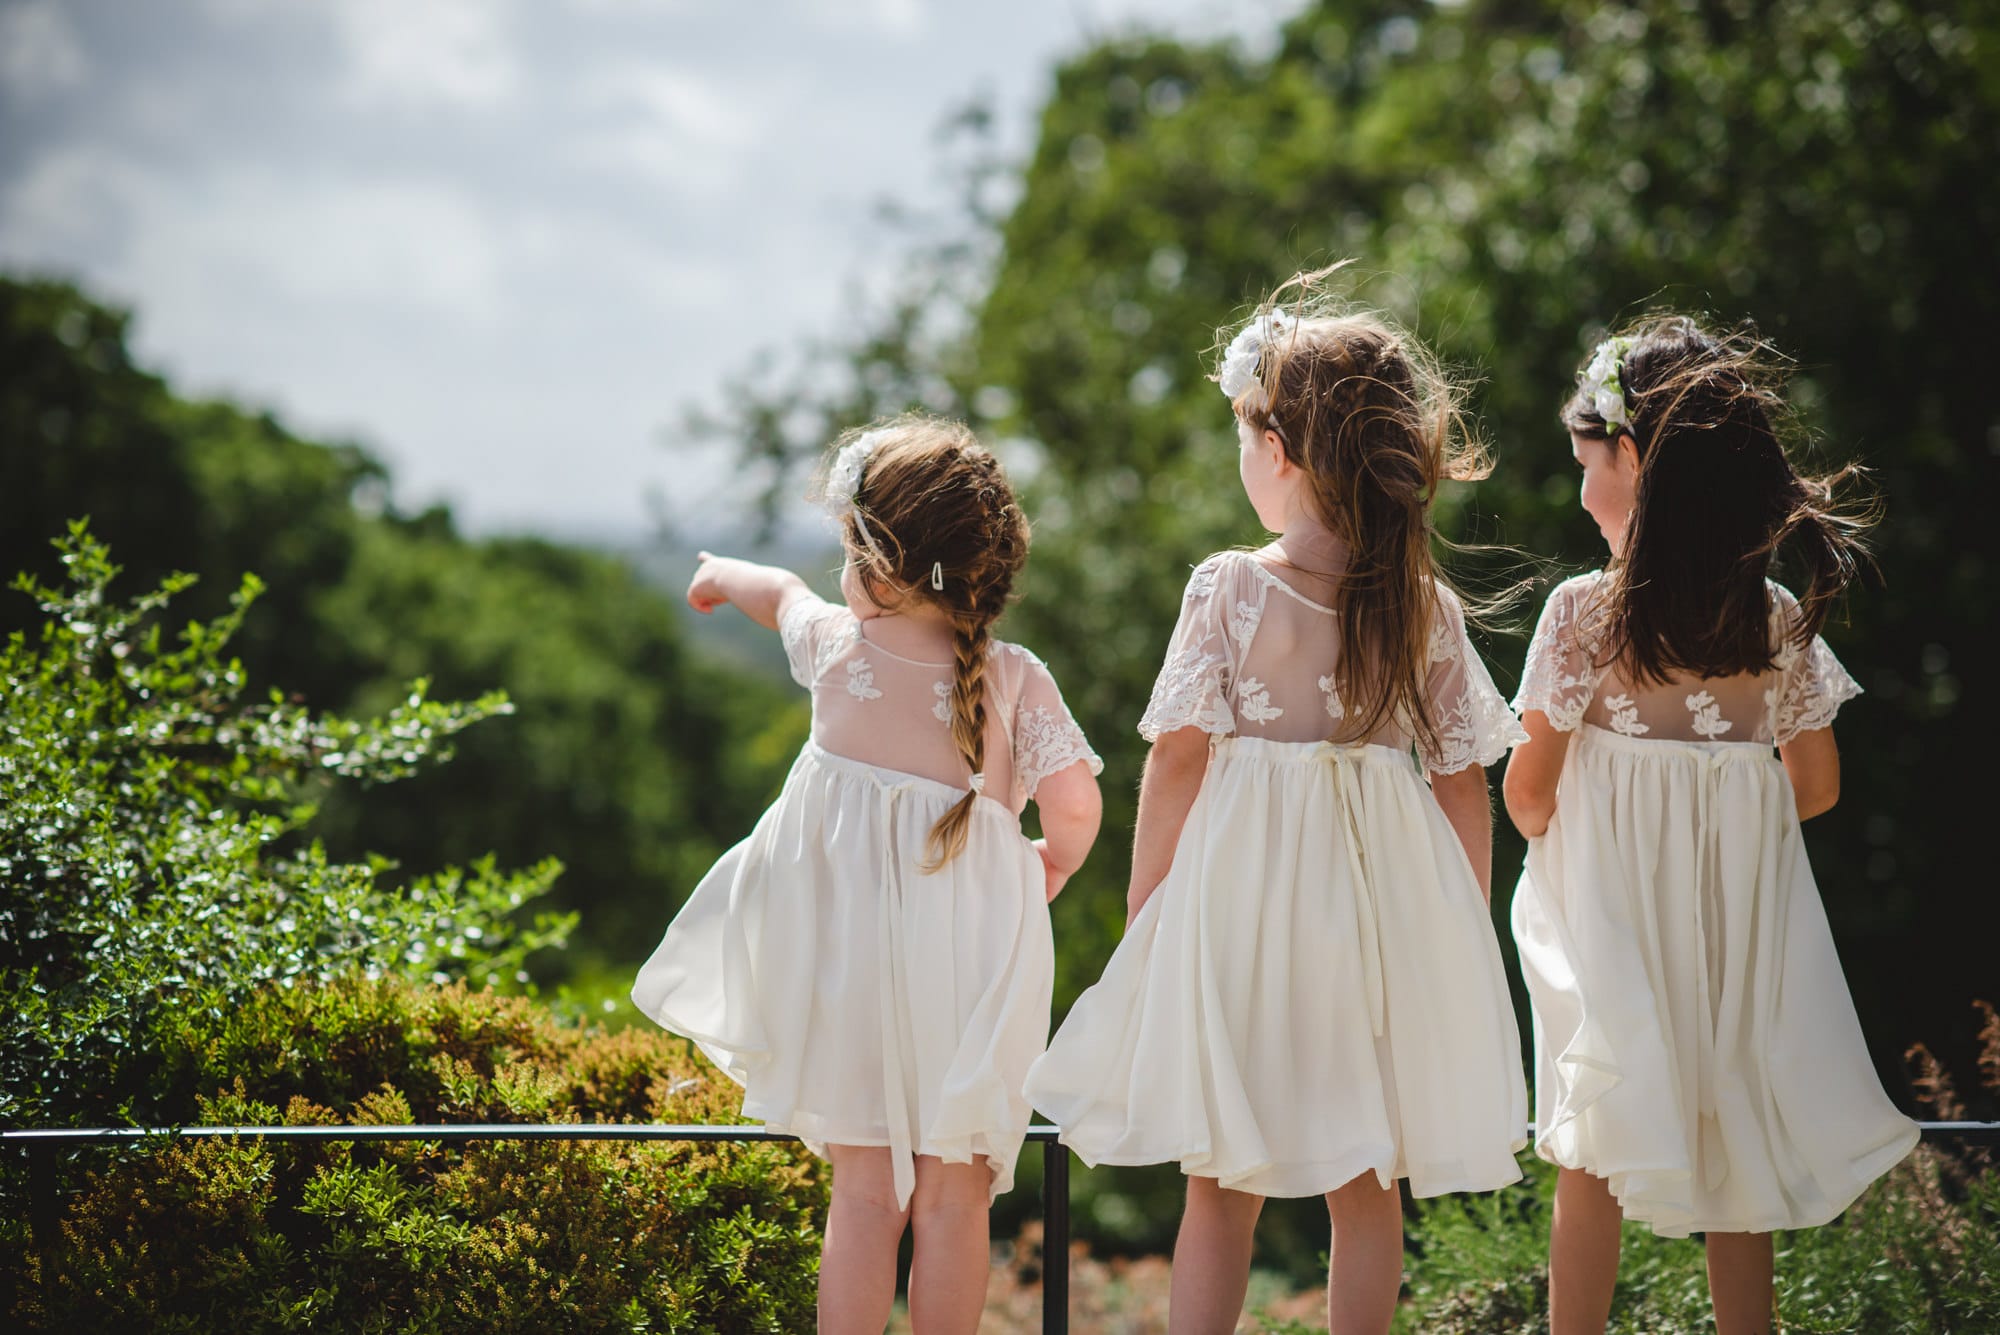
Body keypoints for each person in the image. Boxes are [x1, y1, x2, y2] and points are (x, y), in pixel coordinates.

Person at [1025, 271, 1528, 1335]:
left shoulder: (1229, 587)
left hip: (1243, 904)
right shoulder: (1420, 603)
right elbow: (1459, 783)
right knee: (1366, 1173)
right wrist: (1458, 928)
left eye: (1245, 440)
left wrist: (1146, 905)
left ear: (1283, 453)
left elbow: (1174, 761)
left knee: (1220, 1171)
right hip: (1376, 909)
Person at [632, 415, 1104, 1335]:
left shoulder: (839, 650)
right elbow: (1079, 806)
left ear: (879, 565)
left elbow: (777, 593)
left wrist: (717, 576)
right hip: (972, 971)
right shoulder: (1013, 678)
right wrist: (1050, 862)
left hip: (852, 975)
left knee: (864, 1195)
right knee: (955, 1197)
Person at [1503, 317, 1919, 1335]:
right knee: (1736, 1145)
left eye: (1585, 464)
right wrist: (1717, 818)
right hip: (1733, 937)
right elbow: (1811, 786)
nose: (1579, 490)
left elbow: (1527, 790)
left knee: (1591, 1148)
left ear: (1632, 458)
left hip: (1612, 928)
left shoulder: (1580, 617)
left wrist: (1598, 825)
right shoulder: (1771, 619)